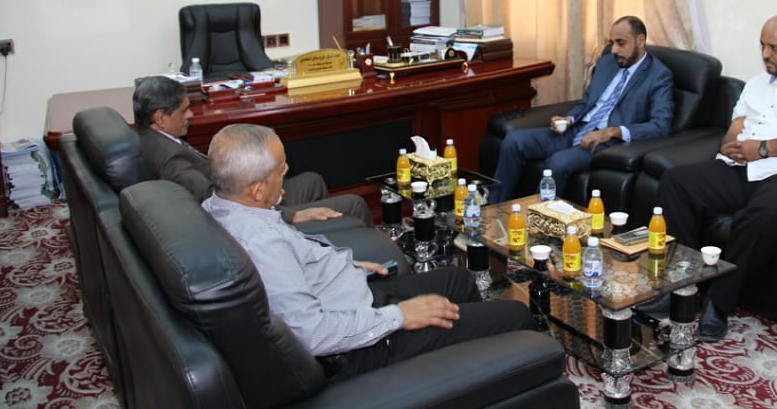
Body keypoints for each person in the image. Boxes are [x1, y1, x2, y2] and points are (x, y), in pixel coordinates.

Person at [202, 123, 535, 377]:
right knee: (517, 315)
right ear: (257, 190)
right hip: (360, 342)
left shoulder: (220, 206)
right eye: (281, 171)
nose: (286, 177)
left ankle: (471, 365)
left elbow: (295, 269)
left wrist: (347, 268)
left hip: (351, 301)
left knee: (459, 280)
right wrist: (400, 316)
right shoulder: (261, 242)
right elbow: (312, 334)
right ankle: (465, 362)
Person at [656, 13, 777, 341]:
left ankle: (719, 304)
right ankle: (682, 287)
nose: (765, 54)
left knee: (763, 214)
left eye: (774, 48)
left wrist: (763, 149)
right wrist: (731, 146)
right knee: (677, 182)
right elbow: (736, 127)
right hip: (746, 169)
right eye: (763, 46)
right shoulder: (757, 84)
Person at [133, 75, 371, 229]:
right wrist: (289, 214)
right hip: (251, 217)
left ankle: (316, 243)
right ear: (160, 117)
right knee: (355, 204)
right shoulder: (170, 160)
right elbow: (222, 204)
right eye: (184, 110)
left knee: (312, 181)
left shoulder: (155, 140)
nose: (191, 115)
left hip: (249, 200)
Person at [493, 15, 674, 200]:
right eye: (612, 43)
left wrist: (613, 131)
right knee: (514, 141)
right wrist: (569, 119)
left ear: (640, 41)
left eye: (621, 43)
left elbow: (661, 126)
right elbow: (587, 103)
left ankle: (537, 216)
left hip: (606, 143)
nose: (614, 50)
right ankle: (495, 207)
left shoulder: (658, 75)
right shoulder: (606, 63)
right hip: (576, 130)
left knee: (558, 162)